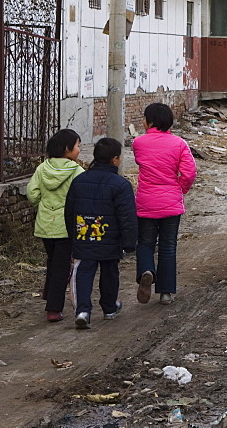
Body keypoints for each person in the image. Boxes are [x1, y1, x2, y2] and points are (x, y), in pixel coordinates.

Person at [65, 137, 137, 329]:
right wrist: (130, 243)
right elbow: (127, 217)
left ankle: (82, 311)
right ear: (115, 159)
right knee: (110, 272)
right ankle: (109, 307)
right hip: (110, 238)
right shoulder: (120, 185)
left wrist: (72, 236)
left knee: (84, 272)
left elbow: (69, 211)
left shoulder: (79, 181)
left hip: (84, 235)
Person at [134, 103, 196, 306]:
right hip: (170, 202)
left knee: (145, 243)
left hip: (145, 201)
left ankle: (146, 270)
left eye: (144, 118)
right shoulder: (179, 144)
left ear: (150, 121)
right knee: (168, 246)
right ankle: (166, 293)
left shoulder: (138, 143)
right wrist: (180, 189)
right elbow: (189, 173)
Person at [27, 129, 84, 322]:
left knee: (52, 261)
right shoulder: (76, 171)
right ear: (68, 149)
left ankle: (48, 292)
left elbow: (32, 194)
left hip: (45, 224)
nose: (79, 149)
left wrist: (43, 205)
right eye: (78, 145)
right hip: (66, 226)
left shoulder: (42, 168)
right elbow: (82, 197)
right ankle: (54, 308)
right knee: (62, 267)